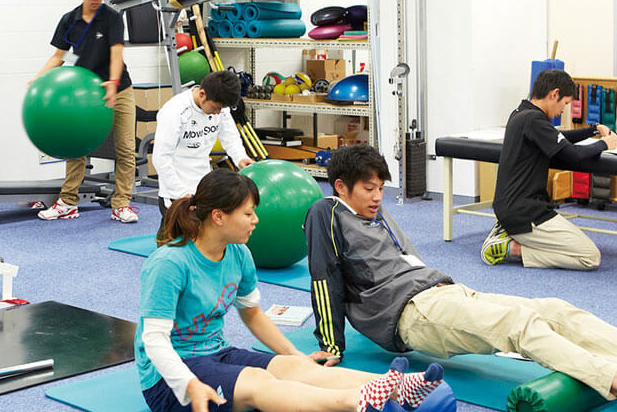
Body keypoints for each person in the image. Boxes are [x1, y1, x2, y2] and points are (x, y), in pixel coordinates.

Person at [305, 145, 617, 410]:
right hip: (410, 313)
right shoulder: (327, 212)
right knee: (517, 325)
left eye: (380, 188)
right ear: (341, 186)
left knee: (555, 309)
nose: (378, 197)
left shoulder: (375, 213)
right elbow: (324, 277)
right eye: (368, 189)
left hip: (444, 292)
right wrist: (331, 343)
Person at [136, 168, 445, 412]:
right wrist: (188, 383)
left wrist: (297, 356)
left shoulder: (238, 254)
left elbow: (253, 315)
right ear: (218, 216)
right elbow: (154, 340)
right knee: (258, 380)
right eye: (248, 213)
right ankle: (357, 401)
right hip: (168, 379)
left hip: (217, 353)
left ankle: (398, 387)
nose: (256, 221)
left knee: (293, 367)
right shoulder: (170, 263)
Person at [482, 69, 617, 270]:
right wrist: (605, 144)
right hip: (525, 212)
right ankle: (511, 248)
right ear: (554, 94)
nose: (563, 110)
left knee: (582, 252)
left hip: (513, 206)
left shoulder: (522, 113)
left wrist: (593, 129)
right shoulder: (534, 120)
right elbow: (574, 155)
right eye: (565, 103)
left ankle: (509, 232)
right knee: (590, 257)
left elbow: (559, 139)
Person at [32, 0, 138, 223]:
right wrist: (39, 79)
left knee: (126, 149)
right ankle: (68, 202)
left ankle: (121, 205)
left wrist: (113, 83)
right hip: (84, 95)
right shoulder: (70, 21)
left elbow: (116, 54)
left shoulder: (112, 18)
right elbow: (59, 56)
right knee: (76, 146)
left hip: (119, 88)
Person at [153, 70, 254, 242]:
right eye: (215, 108)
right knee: (175, 244)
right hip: (175, 190)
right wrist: (181, 194)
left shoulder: (220, 108)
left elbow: (230, 136)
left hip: (203, 185)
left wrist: (240, 158)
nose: (218, 113)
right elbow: (161, 158)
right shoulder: (174, 111)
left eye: (221, 109)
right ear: (202, 94)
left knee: (204, 240)